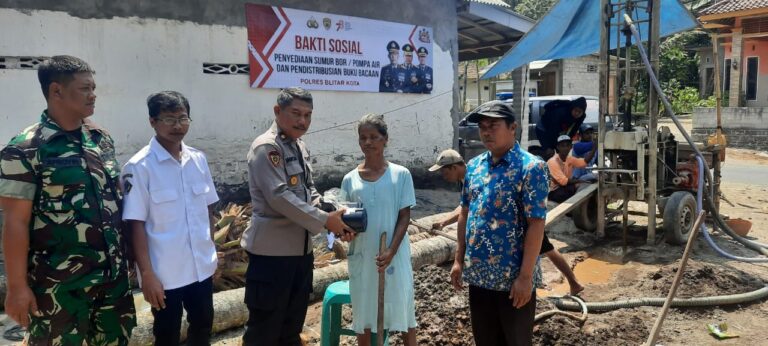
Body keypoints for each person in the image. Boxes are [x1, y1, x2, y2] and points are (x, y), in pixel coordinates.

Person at [0, 55, 136, 345]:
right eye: (85, 88)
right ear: (56, 91)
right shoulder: (25, 149)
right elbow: (15, 222)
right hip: (58, 289)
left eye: (94, 87)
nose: (93, 94)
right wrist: (16, 287)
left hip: (112, 285)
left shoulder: (101, 140)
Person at [241, 87, 353, 345]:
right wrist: (326, 221)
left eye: (308, 115)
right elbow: (279, 197)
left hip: (300, 255)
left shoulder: (298, 146)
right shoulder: (266, 147)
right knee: (264, 331)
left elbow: (307, 189)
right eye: (296, 113)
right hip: (271, 257)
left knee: (291, 328)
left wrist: (329, 212)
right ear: (277, 111)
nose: (303, 121)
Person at [121, 91, 218, 345]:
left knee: (203, 327)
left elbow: (207, 209)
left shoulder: (198, 159)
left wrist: (211, 252)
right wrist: (147, 275)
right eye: (169, 119)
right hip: (165, 275)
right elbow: (135, 225)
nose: (177, 126)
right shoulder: (139, 166)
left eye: (183, 118)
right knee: (167, 335)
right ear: (152, 121)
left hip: (201, 268)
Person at [450, 101, 548, 346]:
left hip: (512, 281)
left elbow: (536, 224)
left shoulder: (531, 167)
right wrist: (458, 260)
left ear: (512, 127)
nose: (486, 132)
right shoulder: (474, 167)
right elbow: (465, 213)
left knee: (515, 341)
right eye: (482, 126)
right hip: (479, 277)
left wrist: (525, 277)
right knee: (485, 340)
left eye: (493, 125)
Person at [431, 150, 584, 296]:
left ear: (454, 167)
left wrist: (444, 221)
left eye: (444, 172)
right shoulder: (469, 175)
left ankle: (572, 282)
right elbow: (466, 207)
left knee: (546, 248)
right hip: (502, 224)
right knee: (547, 249)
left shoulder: (478, 171)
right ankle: (573, 282)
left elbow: (469, 205)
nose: (443, 176)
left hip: (518, 223)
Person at [340, 114, 418, 345]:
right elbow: (344, 219)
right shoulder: (349, 180)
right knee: (364, 312)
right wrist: (345, 232)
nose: (368, 142)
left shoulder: (400, 175)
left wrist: (392, 250)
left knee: (403, 309)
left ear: (385, 140)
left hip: (394, 254)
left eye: (374, 137)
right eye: (363, 137)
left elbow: (405, 216)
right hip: (364, 256)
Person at [547, 135, 596, 203]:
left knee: (587, 185)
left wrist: (594, 148)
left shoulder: (569, 158)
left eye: (567, 145)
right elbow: (563, 181)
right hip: (554, 192)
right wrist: (580, 181)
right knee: (580, 186)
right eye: (562, 146)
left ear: (571, 147)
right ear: (558, 147)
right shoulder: (553, 161)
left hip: (564, 187)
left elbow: (584, 162)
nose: (565, 148)